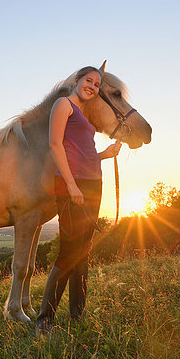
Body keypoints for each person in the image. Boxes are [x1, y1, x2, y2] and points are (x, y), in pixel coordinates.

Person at [36, 66, 121, 336]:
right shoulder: (63, 104)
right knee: (68, 253)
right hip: (73, 185)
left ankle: (77, 317)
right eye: (89, 81)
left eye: (97, 84)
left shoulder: (83, 115)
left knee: (83, 252)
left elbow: (83, 153)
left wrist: (105, 154)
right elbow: (55, 145)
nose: (93, 87)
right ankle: (44, 319)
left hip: (93, 183)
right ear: (76, 81)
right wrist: (71, 185)